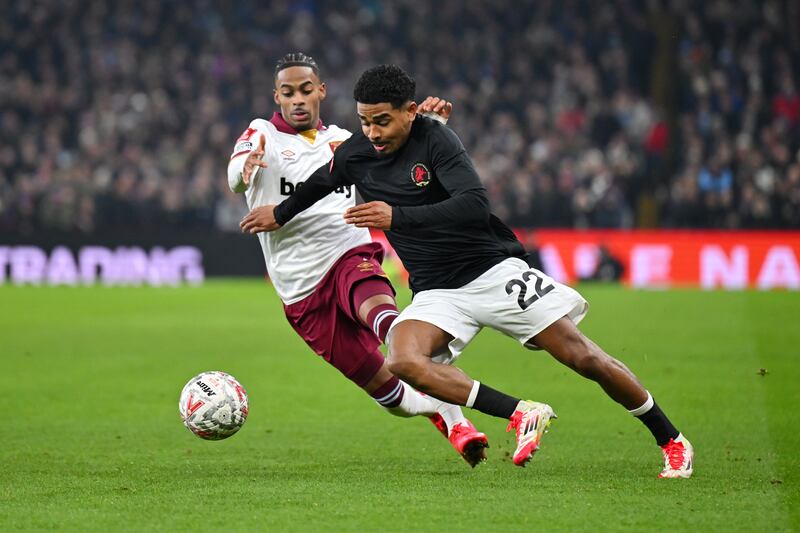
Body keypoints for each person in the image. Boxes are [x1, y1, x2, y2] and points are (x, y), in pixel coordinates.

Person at [241, 64, 694, 478]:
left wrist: (396, 218)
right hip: (438, 292)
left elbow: (474, 206)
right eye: (365, 121)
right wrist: (278, 214)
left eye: (383, 120)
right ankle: (521, 412)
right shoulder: (357, 153)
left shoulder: (437, 140)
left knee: (583, 357)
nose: (373, 132)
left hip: (491, 270)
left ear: (411, 112)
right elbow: (320, 183)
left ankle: (670, 439)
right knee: (401, 359)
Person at [227, 54, 488, 467]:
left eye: (306, 90)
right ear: (276, 96)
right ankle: (438, 411)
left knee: (389, 324)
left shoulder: (349, 140)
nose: (298, 100)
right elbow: (236, 173)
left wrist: (431, 126)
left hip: (349, 252)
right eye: (288, 92)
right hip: (300, 291)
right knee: (392, 396)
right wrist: (245, 169)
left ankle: (461, 422)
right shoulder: (262, 134)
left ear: (322, 92)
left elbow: (407, 162)